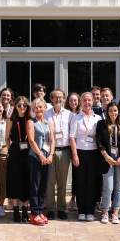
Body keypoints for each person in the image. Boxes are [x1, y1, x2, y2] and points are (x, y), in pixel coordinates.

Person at [70, 92, 102, 221]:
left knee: (91, 182)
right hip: (80, 152)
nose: (87, 103)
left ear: (93, 101)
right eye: (85, 100)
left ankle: (90, 210)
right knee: (81, 182)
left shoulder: (98, 118)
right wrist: (75, 155)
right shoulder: (76, 118)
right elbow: (72, 137)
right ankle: (81, 210)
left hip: (94, 153)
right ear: (81, 102)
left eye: (89, 100)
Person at [97, 102, 120, 224]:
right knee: (108, 187)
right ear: (107, 112)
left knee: (119, 188)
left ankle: (115, 213)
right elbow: (98, 141)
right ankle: (105, 212)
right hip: (107, 159)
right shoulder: (101, 124)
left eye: (115, 110)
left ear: (118, 112)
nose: (113, 113)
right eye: (110, 110)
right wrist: (106, 156)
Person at [45, 89, 73, 220]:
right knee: (50, 182)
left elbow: (72, 135)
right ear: (51, 99)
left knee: (62, 182)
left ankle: (61, 208)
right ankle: (50, 209)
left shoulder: (69, 114)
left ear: (64, 99)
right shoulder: (45, 114)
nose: (58, 100)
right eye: (55, 97)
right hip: (50, 151)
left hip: (64, 150)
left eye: (60, 97)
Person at [27, 98, 55, 226]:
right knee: (35, 186)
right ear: (33, 109)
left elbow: (52, 140)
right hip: (35, 158)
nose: (38, 109)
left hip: (47, 158)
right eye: (36, 107)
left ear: (44, 108)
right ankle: (34, 214)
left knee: (43, 186)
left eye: (40, 107)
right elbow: (32, 141)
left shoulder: (48, 123)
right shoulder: (31, 122)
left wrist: (50, 155)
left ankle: (40, 211)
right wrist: (41, 156)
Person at [6, 96, 32, 223]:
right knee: (15, 181)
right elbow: (6, 137)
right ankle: (16, 211)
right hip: (15, 151)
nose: (22, 107)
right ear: (15, 107)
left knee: (26, 180)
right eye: (19, 105)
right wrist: (9, 150)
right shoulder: (11, 120)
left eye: (24, 105)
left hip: (28, 152)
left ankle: (25, 210)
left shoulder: (31, 119)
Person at [65, 92, 81, 211]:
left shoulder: (82, 114)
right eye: (71, 100)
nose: (73, 103)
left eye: (75, 100)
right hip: (65, 147)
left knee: (76, 175)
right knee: (64, 174)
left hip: (77, 148)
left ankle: (74, 199)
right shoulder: (65, 114)